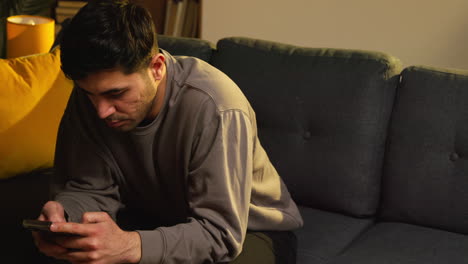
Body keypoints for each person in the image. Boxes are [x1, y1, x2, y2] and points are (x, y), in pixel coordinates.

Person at [33, 0, 303, 263]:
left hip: (248, 231)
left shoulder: (216, 107)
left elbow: (220, 233)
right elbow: (89, 187)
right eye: (90, 94)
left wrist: (131, 245)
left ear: (157, 68)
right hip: (155, 218)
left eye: (116, 93)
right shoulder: (91, 98)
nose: (102, 110)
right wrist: (65, 215)